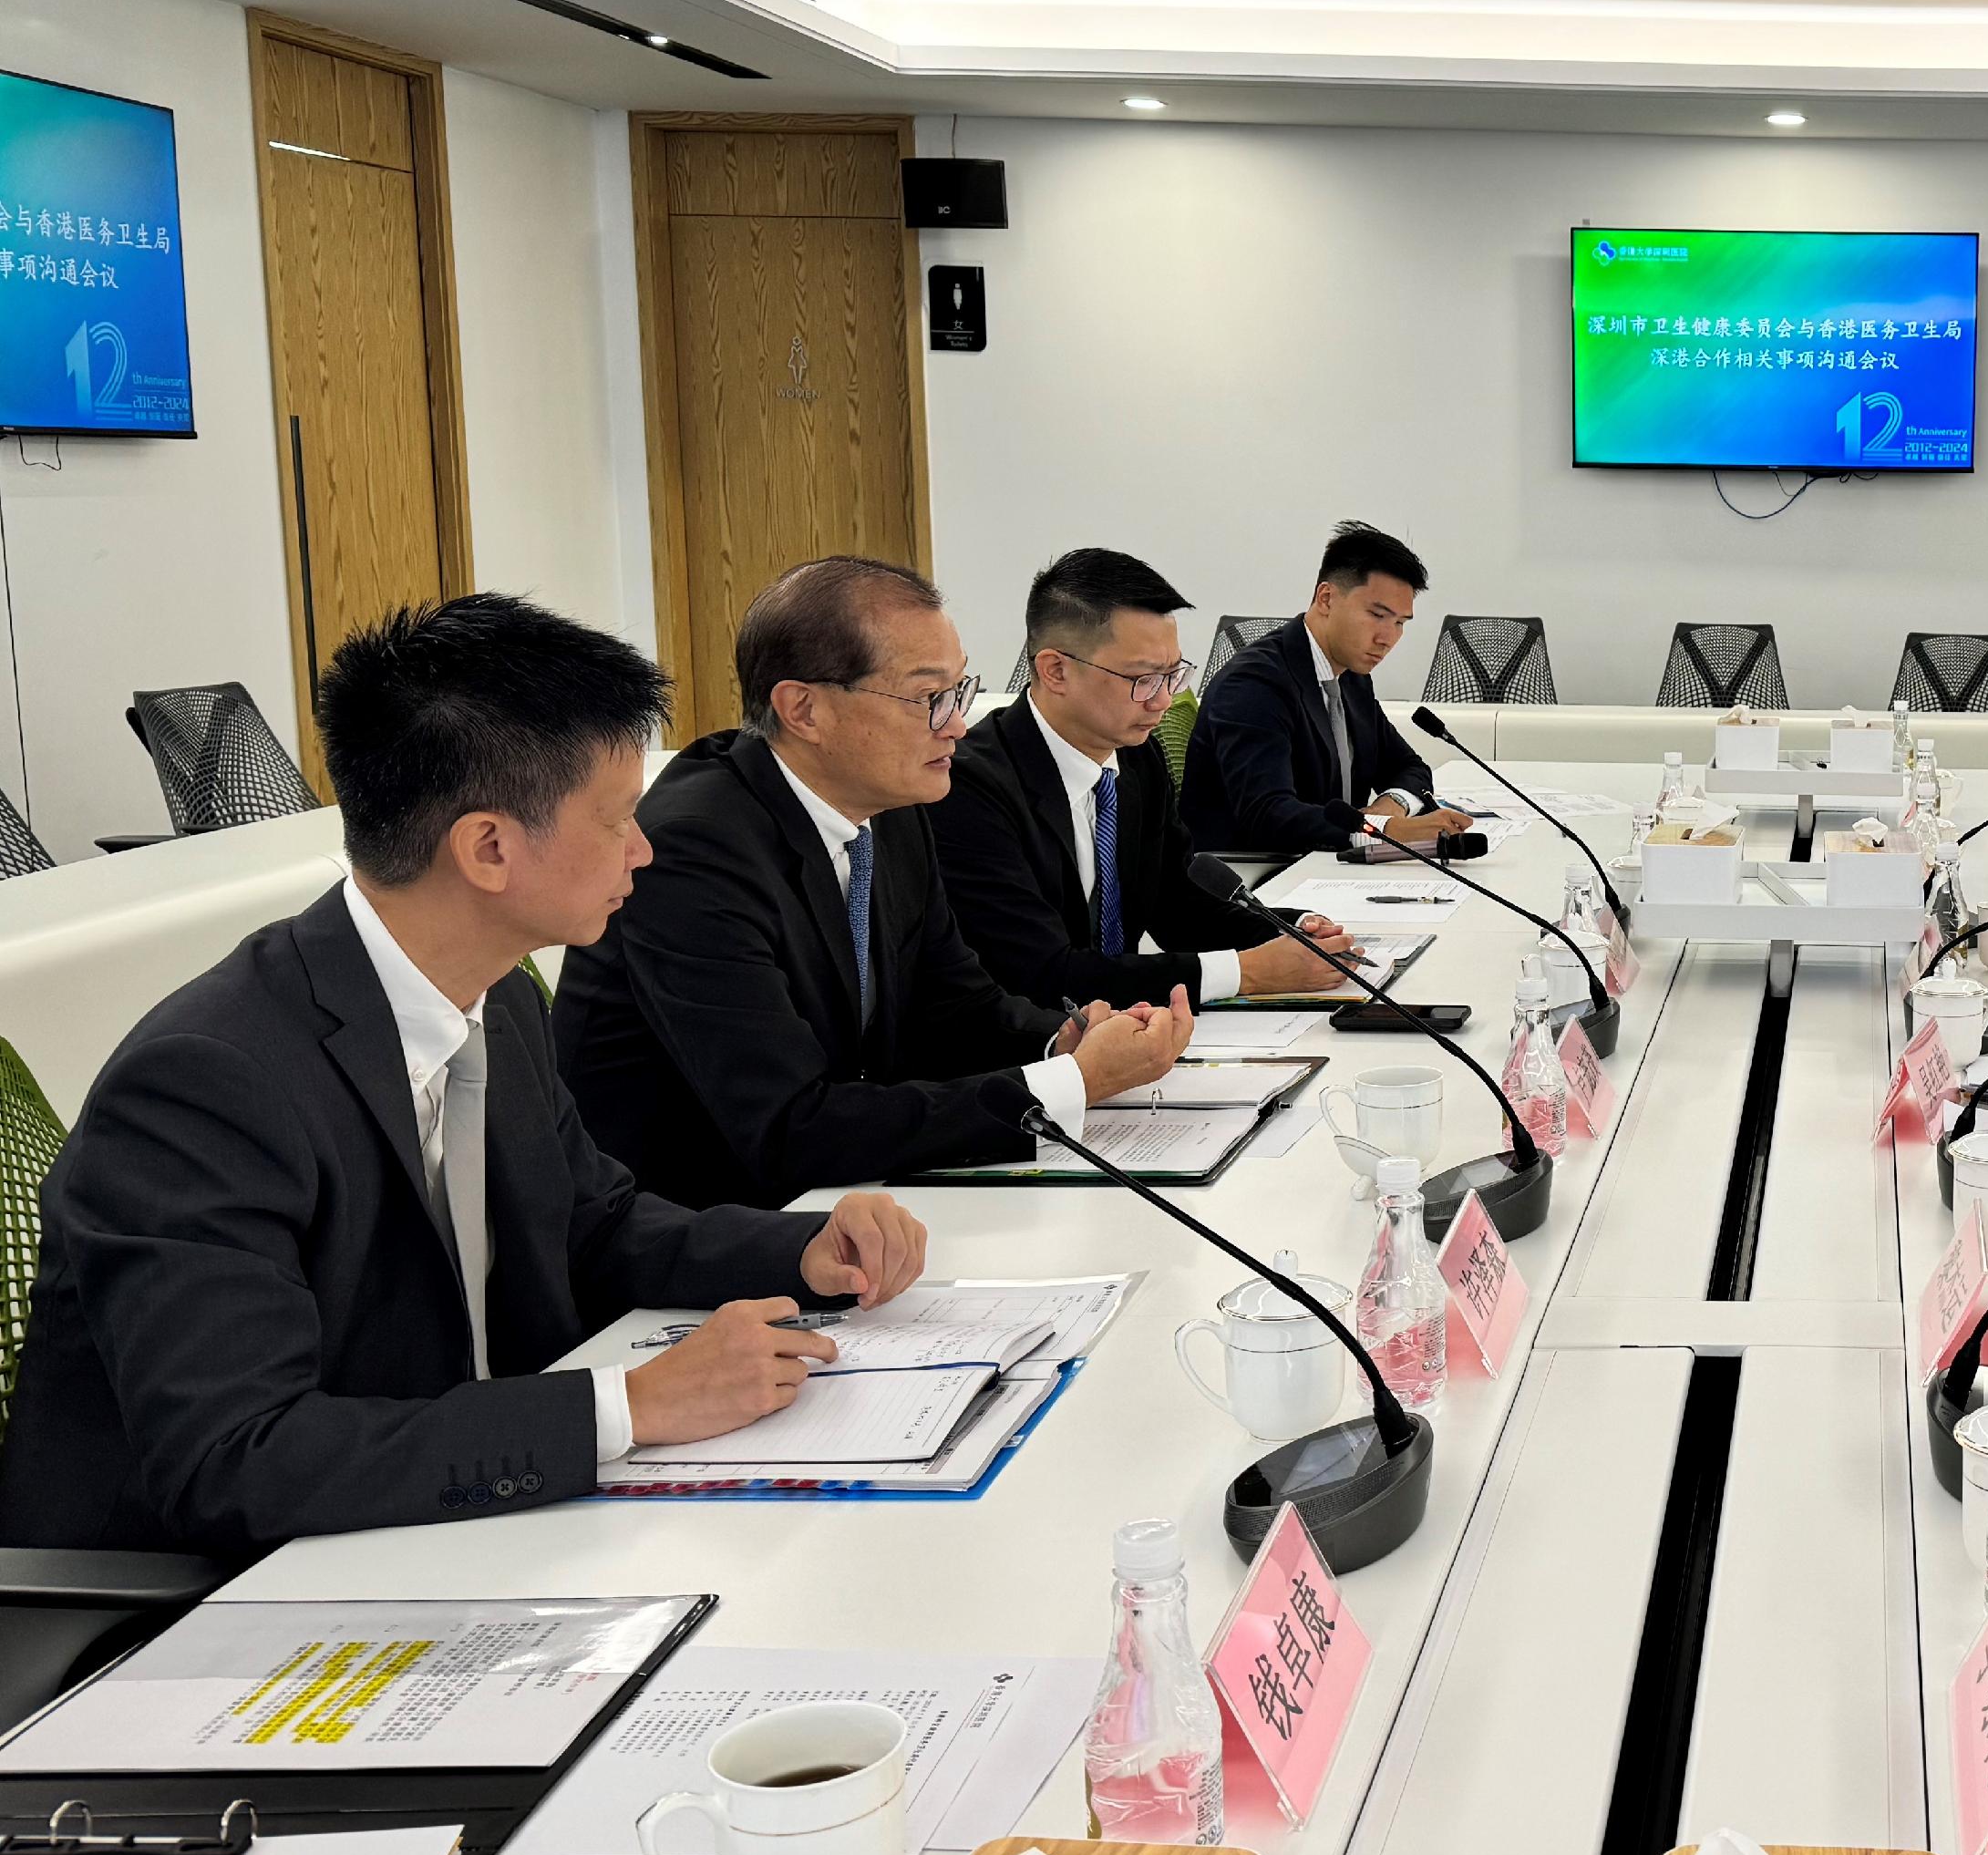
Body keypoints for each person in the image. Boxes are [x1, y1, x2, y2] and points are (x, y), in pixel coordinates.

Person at [0, 597, 931, 1554]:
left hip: (440, 1523)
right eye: (617, 821)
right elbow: (237, 1459)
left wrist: (803, 1250)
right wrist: (628, 1408)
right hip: (207, 1612)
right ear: (488, 847)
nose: (643, 851)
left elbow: (591, 1226)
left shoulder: (501, 998)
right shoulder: (206, 1083)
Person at [555, 557, 1193, 1211]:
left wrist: (1064, 1038)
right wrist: (1066, 1085)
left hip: (851, 1194)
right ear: (803, 709)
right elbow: (789, 1125)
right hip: (703, 1233)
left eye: (960, 691)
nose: (956, 724)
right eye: (928, 698)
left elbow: (954, 1006)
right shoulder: (694, 849)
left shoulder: (889, 808)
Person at [942, 547, 1361, 1009]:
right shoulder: (969, 787)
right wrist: (1248, 972)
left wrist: (1286, 932)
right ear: (1056, 670)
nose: (1162, 701)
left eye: (1174, 674)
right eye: (1143, 678)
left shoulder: (1137, 760)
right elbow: (1039, 973)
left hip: (1126, 1033)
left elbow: (1179, 907)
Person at [1180, 520, 1470, 859]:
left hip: (1326, 866)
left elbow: (1410, 768)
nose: (1388, 638)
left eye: (1399, 623)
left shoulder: (1352, 675)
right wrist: (1383, 831)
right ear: (1327, 598)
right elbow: (1267, 814)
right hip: (1254, 877)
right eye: (1377, 615)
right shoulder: (1254, 683)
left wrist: (1392, 807)